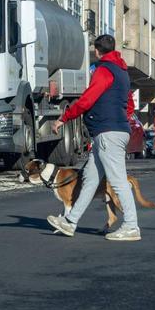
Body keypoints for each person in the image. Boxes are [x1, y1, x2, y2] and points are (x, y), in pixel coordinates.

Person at [46, 34, 140, 241]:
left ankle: (132, 226)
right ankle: (70, 222)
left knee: (118, 181)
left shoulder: (104, 71)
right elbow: (129, 105)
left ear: (97, 51)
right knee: (90, 179)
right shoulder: (122, 72)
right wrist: (118, 120)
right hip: (112, 131)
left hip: (108, 132)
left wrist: (63, 118)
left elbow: (87, 99)